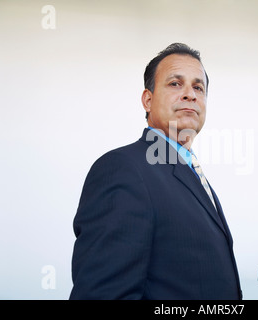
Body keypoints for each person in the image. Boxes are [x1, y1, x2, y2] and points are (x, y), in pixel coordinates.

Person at [69, 43, 242, 300]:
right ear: (147, 100)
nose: (190, 94)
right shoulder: (123, 169)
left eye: (198, 87)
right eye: (175, 84)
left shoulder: (191, 173)